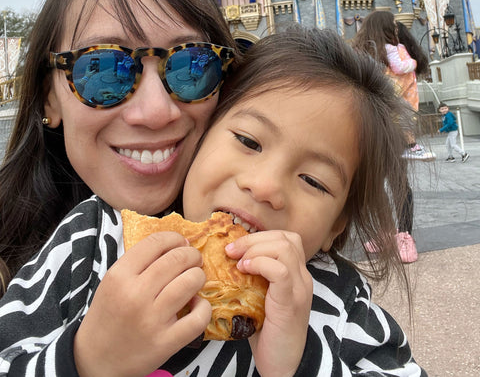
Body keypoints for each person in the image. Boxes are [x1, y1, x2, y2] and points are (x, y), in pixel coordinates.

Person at [0, 26, 426, 376]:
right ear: (200, 136)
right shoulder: (91, 243)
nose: (265, 187)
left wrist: (298, 364)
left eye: (314, 181)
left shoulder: (332, 301)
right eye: (247, 140)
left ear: (337, 225)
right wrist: (88, 361)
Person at [0, 0, 238, 298]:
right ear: (49, 96)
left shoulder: (274, 260)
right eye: (105, 68)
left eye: (191, 65)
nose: (157, 112)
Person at [352, 11, 435, 161]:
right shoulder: (391, 48)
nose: (396, 29)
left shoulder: (368, 50)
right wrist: (414, 62)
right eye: (394, 26)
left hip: (378, 95)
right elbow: (398, 67)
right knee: (403, 117)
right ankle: (411, 146)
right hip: (391, 92)